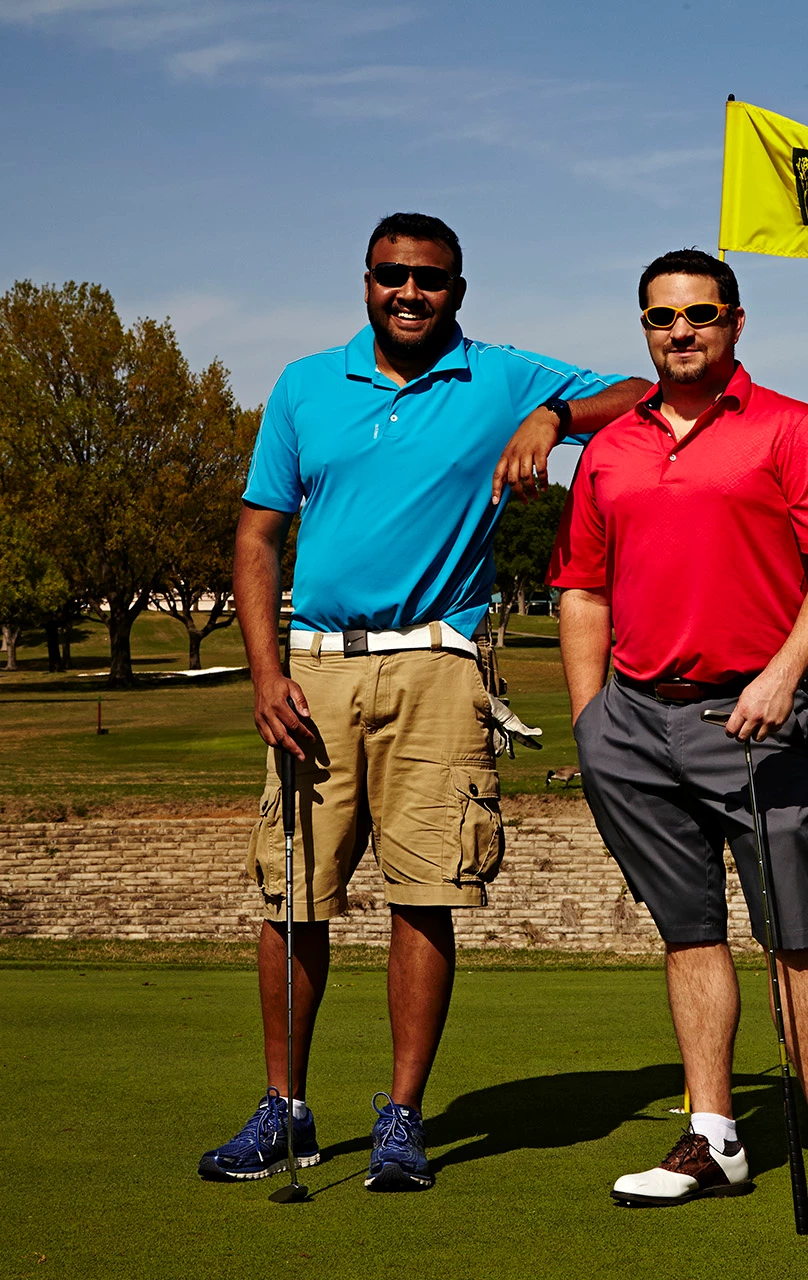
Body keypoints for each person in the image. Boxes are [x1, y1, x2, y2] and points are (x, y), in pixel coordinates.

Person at [199, 212, 651, 1192]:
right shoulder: (305, 384)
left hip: (441, 665)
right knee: (293, 898)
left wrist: (551, 420)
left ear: (458, 288)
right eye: (392, 275)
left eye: (431, 280)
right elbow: (257, 535)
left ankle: (402, 1116)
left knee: (428, 894)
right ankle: (284, 1107)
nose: (411, 293)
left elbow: (639, 392)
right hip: (314, 667)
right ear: (365, 280)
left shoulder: (501, 375)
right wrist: (263, 669)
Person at [548, 248, 808, 1228]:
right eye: (661, 317)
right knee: (689, 931)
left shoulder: (794, 427)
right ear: (643, 328)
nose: (680, 331)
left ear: (737, 321)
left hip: (753, 715)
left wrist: (784, 673)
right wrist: (590, 716)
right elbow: (580, 587)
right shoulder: (612, 449)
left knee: (794, 937)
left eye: (700, 313)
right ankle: (714, 1134)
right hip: (635, 722)